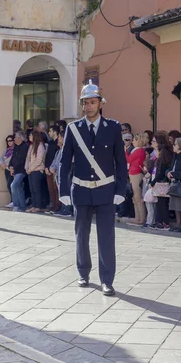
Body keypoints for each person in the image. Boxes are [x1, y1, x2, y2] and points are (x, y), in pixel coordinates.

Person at [59, 81, 127, 296]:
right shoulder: (73, 129)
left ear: (100, 104)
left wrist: (120, 191)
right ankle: (83, 273)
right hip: (80, 190)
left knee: (106, 237)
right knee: (81, 235)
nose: (88, 106)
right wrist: (63, 190)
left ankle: (107, 280)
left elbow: (120, 162)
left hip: (106, 190)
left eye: (92, 102)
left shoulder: (114, 128)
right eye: (85, 103)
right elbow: (64, 161)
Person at [150, 140, 173, 230]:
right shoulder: (163, 160)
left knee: (162, 204)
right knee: (161, 204)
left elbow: (160, 174)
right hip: (162, 184)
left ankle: (164, 223)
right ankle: (160, 222)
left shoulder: (161, 161)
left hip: (161, 184)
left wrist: (153, 182)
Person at [126, 133, 146, 225]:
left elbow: (128, 159)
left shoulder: (139, 150)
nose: (133, 141)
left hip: (136, 174)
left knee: (138, 197)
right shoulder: (137, 150)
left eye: (134, 140)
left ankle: (141, 219)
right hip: (132, 173)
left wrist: (125, 151)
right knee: (134, 197)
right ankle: (137, 218)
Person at [25, 130, 46, 213]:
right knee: (32, 189)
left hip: (37, 170)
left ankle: (38, 206)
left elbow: (39, 160)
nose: (29, 137)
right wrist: (26, 168)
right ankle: (33, 205)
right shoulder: (31, 146)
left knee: (37, 189)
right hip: (30, 170)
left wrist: (31, 169)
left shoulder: (40, 146)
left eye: (31, 135)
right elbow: (28, 158)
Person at [9, 130, 29, 211]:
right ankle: (22, 206)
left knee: (13, 185)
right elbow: (13, 158)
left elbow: (22, 160)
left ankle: (16, 205)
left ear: (20, 138)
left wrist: (14, 168)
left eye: (16, 137)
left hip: (21, 170)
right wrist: (10, 166)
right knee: (19, 188)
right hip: (15, 170)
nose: (14, 139)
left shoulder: (25, 147)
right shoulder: (16, 146)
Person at [45, 125, 60, 213]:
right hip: (48, 169)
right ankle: (53, 205)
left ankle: (58, 206)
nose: (49, 133)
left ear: (55, 132)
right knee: (51, 189)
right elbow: (47, 156)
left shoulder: (59, 143)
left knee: (56, 189)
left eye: (50, 131)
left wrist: (53, 168)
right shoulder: (50, 143)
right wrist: (46, 167)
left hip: (55, 169)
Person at [0, 135, 15, 208]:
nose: (9, 142)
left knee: (11, 185)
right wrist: (3, 164)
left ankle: (14, 201)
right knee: (8, 185)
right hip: (7, 169)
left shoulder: (16, 149)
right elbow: (1, 159)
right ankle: (12, 200)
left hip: (13, 169)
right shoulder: (7, 150)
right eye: (7, 141)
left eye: (10, 140)